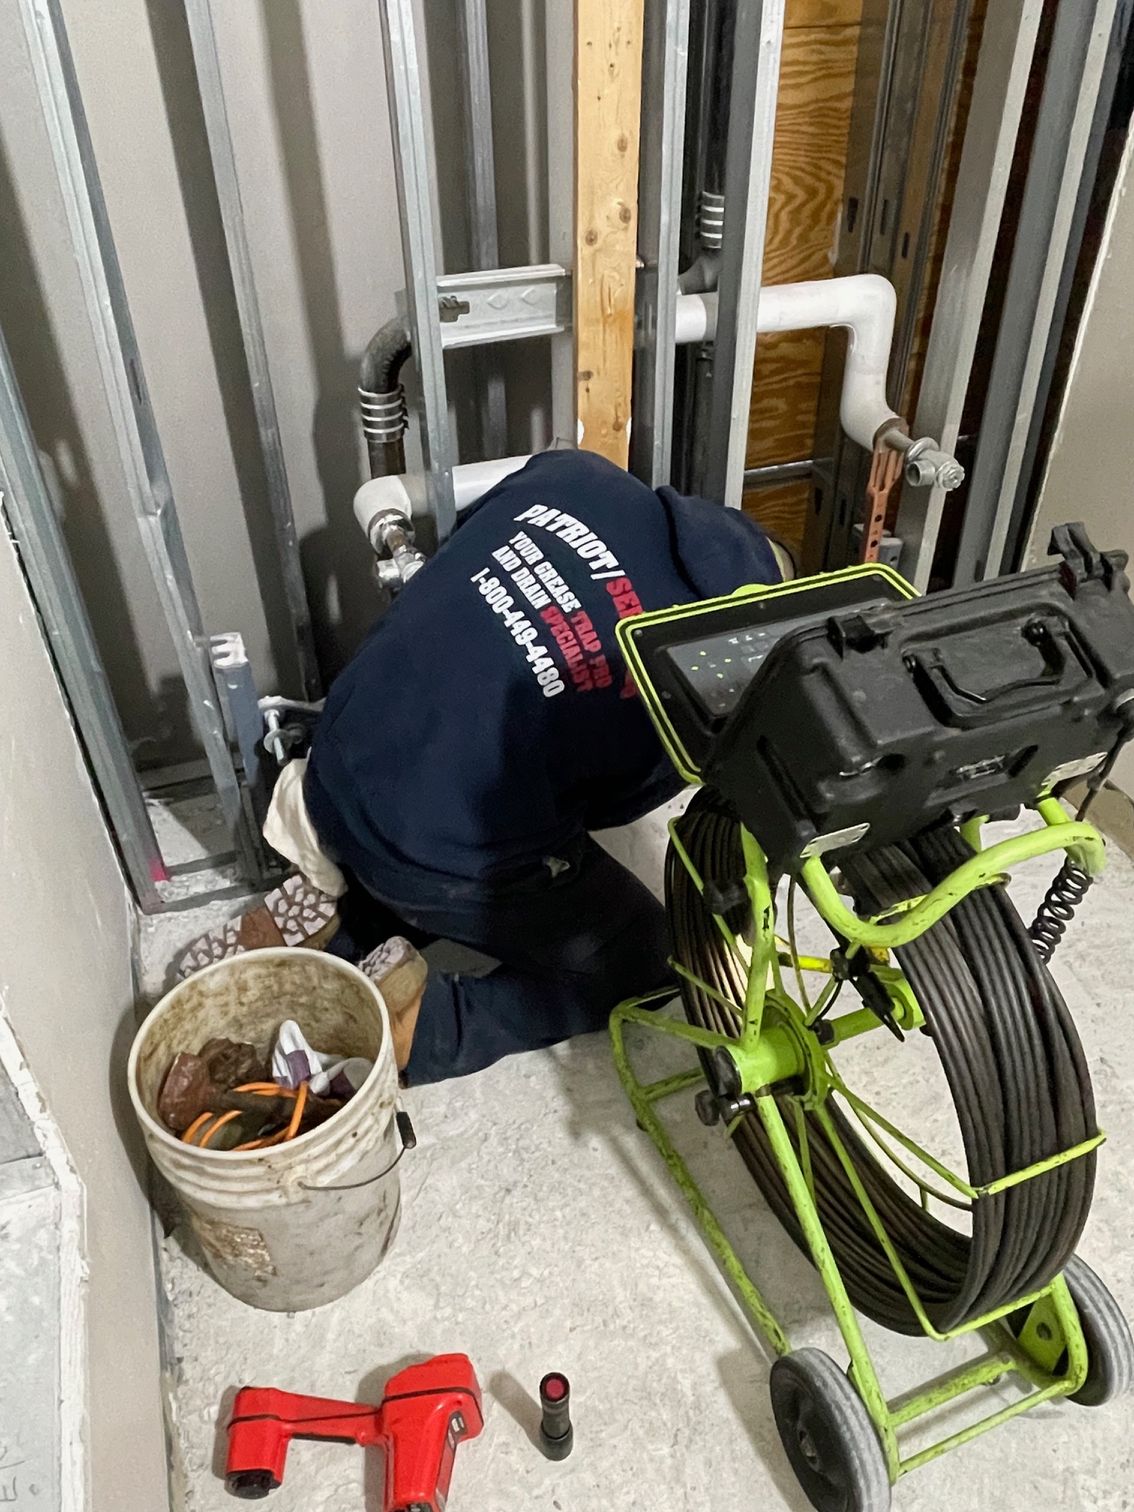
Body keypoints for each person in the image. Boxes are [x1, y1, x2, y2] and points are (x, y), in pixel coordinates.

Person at [177, 450, 785, 1082]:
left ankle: (342, 927)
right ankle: (422, 1021)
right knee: (649, 954)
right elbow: (607, 804)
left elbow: (451, 573)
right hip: (424, 842)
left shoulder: (577, 474)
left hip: (337, 752)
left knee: (459, 790)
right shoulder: (712, 670)